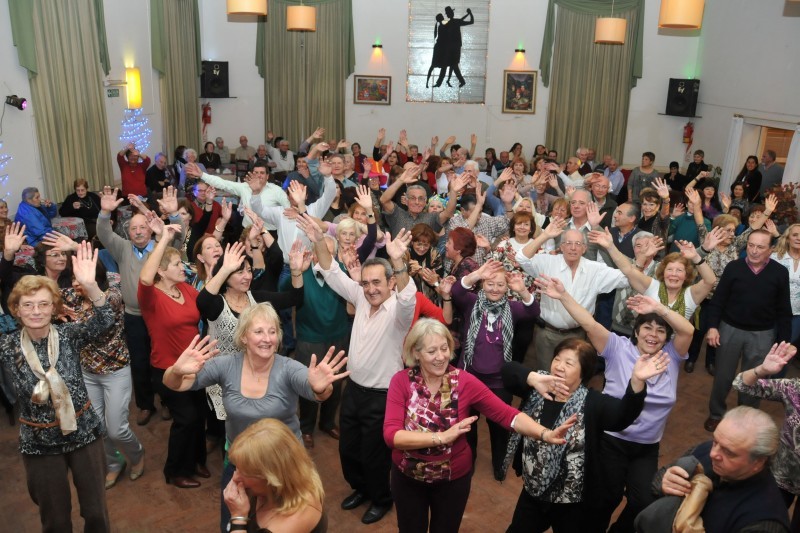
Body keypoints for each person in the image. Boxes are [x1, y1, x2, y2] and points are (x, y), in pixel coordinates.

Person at [164, 303, 347, 531]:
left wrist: (322, 388)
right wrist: (175, 371)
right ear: (243, 337)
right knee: (230, 521)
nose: (267, 338)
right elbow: (176, 385)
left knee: (282, 521)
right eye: (258, 331)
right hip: (240, 465)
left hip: (284, 465)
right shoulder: (226, 365)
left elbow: (319, 391)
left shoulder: (288, 368)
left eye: (272, 332)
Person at [384, 319, 576, 533]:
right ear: (416, 353)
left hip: (452, 481)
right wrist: (442, 437)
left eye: (444, 348)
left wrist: (544, 434)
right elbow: (392, 436)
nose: (441, 357)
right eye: (431, 351)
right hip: (408, 479)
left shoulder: (464, 381)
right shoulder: (401, 381)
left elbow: (507, 414)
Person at [534, 275, 694, 532]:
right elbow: (588, 323)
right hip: (611, 440)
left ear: (666, 337)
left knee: (643, 502)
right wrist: (563, 295)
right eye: (647, 328)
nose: (653, 335)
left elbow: (688, 330)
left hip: (646, 446)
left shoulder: (672, 356)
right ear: (636, 331)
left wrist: (658, 308)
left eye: (660, 330)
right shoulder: (617, 348)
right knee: (604, 500)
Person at [296, 212, 416, 525]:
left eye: (378, 282)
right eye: (366, 283)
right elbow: (331, 270)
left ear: (389, 282)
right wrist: (319, 239)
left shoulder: (399, 312)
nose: (371, 289)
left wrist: (399, 262)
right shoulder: (361, 298)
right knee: (349, 450)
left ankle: (381, 498)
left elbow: (408, 297)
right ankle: (360, 489)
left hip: (382, 397)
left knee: (375, 455)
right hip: (354, 390)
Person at [0, 242, 113, 532]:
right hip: (39, 444)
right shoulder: (7, 345)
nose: (36, 311)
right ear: (16, 309)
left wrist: (91, 286)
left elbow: (105, 319)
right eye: (27, 304)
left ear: (54, 307)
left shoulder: (69, 335)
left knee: (96, 513)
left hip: (85, 433)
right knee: (55, 520)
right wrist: (7, 258)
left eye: (43, 304)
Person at [503, 338, 667, 532]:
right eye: (557, 359)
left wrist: (637, 381)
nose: (559, 366)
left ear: (583, 372)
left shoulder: (592, 403)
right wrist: (532, 377)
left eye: (569, 363)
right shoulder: (539, 386)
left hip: (572, 502)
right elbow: (506, 371)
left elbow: (623, 415)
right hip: (534, 491)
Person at [96, 185, 186, 426]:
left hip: (160, 315)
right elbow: (104, 234)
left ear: (151, 229)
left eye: (142, 227)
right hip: (134, 316)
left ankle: (167, 400)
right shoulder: (122, 248)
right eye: (133, 228)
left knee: (164, 360)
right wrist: (105, 213)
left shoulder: (161, 247)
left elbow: (180, 237)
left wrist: (175, 215)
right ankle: (145, 404)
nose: (137, 232)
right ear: (128, 232)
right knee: (140, 361)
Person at [445, 260, 541, 481]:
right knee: (467, 425)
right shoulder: (470, 303)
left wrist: (523, 290)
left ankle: (499, 463)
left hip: (499, 382)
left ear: (507, 287)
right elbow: (457, 290)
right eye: (489, 284)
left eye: (500, 285)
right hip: (469, 377)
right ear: (482, 284)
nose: (495, 289)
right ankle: (468, 461)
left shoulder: (514, 309)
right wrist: (478, 273)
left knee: (500, 427)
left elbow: (533, 311)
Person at [640, 406, 790, 533]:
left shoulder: (763, 521)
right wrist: (664, 482)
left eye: (729, 453)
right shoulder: (706, 450)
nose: (713, 454)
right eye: (715, 441)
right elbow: (658, 481)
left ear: (758, 461)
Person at [65, 256, 145, 489]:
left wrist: (90, 287)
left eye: (82, 279)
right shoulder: (72, 298)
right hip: (88, 373)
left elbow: (106, 316)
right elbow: (49, 296)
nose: (76, 284)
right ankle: (113, 463)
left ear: (95, 278)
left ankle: (138, 455)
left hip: (116, 371)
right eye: (74, 279)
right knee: (97, 427)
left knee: (117, 428)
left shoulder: (111, 296)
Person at [138, 221, 206, 489]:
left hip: (196, 367)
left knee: (199, 415)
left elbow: (209, 300)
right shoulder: (151, 296)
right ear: (162, 271)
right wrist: (163, 239)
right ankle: (175, 471)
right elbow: (145, 277)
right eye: (177, 264)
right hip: (168, 370)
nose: (183, 268)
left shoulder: (185, 290)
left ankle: (196, 461)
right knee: (186, 418)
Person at [703, 229, 792, 433]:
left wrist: (784, 343)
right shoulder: (734, 268)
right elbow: (718, 301)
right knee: (723, 376)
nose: (753, 251)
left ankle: (744, 418)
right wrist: (713, 327)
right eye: (750, 245)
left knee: (754, 380)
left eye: (760, 247)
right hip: (730, 330)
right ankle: (716, 414)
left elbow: (784, 310)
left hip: (762, 335)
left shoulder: (780, 273)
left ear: (770, 249)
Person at [516, 224, 629, 371]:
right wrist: (545, 236)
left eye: (578, 244)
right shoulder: (547, 262)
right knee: (546, 374)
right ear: (561, 246)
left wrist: (614, 249)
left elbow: (627, 277)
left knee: (572, 376)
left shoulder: (595, 269)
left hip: (577, 335)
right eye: (568, 243)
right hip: (547, 334)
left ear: (585, 249)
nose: (573, 248)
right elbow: (521, 258)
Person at [732, 342, 799, 530]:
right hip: (782, 476)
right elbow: (742, 384)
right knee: (758, 521)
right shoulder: (795, 389)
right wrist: (762, 369)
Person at [223, 418, 328, 533]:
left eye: (245, 473)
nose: (235, 478)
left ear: (272, 478)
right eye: (237, 468)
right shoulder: (292, 474)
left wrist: (238, 518)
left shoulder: (293, 522)